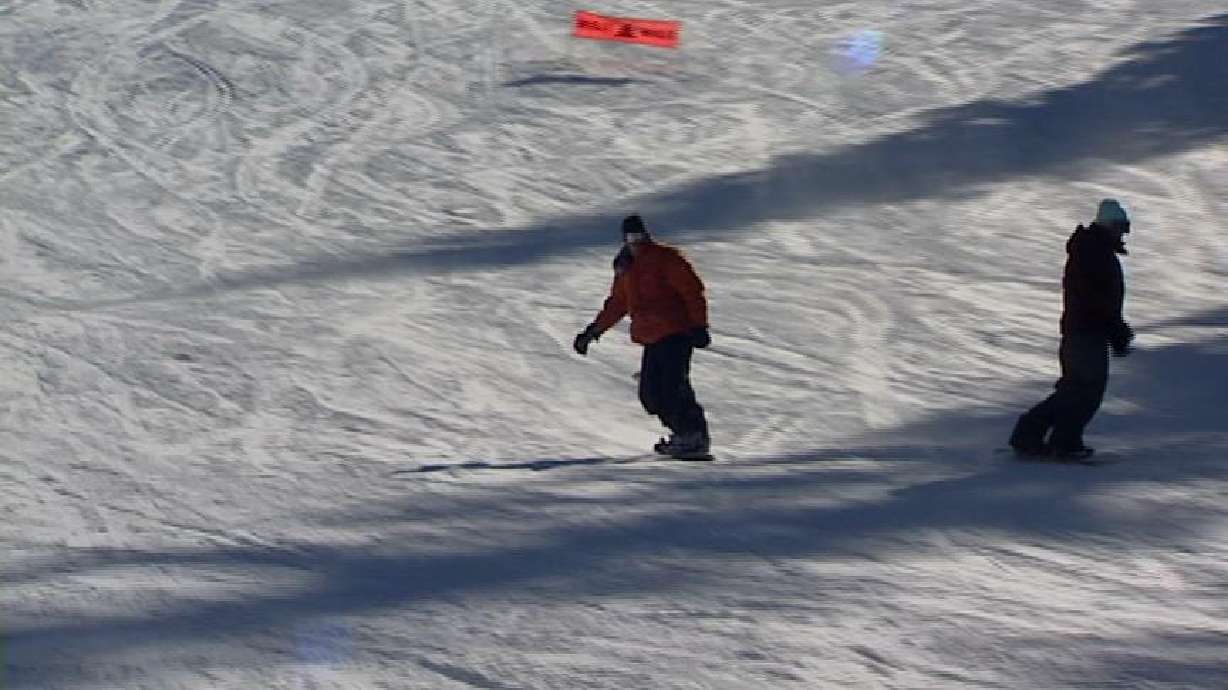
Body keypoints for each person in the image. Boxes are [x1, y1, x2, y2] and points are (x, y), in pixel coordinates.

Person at [573, 214, 712, 459]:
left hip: (676, 331)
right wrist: (593, 331)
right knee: (650, 395)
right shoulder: (625, 267)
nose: (635, 242)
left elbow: (692, 290)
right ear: (624, 239)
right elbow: (618, 303)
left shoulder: (665, 258)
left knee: (673, 386)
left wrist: (699, 325)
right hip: (651, 337)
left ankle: (693, 435)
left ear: (646, 234)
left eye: (639, 236)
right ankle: (682, 435)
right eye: (630, 238)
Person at [1009, 199, 1135, 460]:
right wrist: (1116, 329)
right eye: (1120, 227)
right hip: (1086, 333)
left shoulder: (1094, 250)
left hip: (1085, 332)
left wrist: (1114, 328)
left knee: (1077, 389)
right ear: (1107, 225)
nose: (1122, 233)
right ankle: (1058, 440)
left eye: (1125, 228)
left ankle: (1036, 435)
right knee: (1085, 389)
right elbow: (1094, 299)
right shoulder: (1094, 253)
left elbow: (1099, 300)